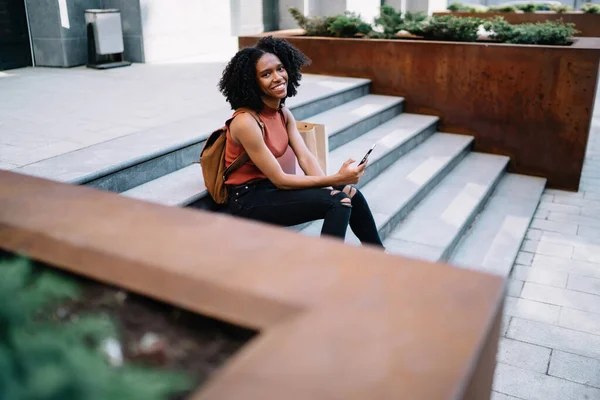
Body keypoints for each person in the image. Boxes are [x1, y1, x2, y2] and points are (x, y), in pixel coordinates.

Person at [218, 36, 384, 248]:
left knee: (349, 193)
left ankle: (379, 254)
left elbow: (305, 157)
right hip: (249, 200)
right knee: (338, 202)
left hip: (271, 190)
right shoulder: (245, 122)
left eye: (280, 69)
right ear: (252, 82)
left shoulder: (283, 113)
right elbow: (280, 179)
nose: (278, 77)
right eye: (266, 74)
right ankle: (324, 271)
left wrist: (332, 184)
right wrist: (334, 179)